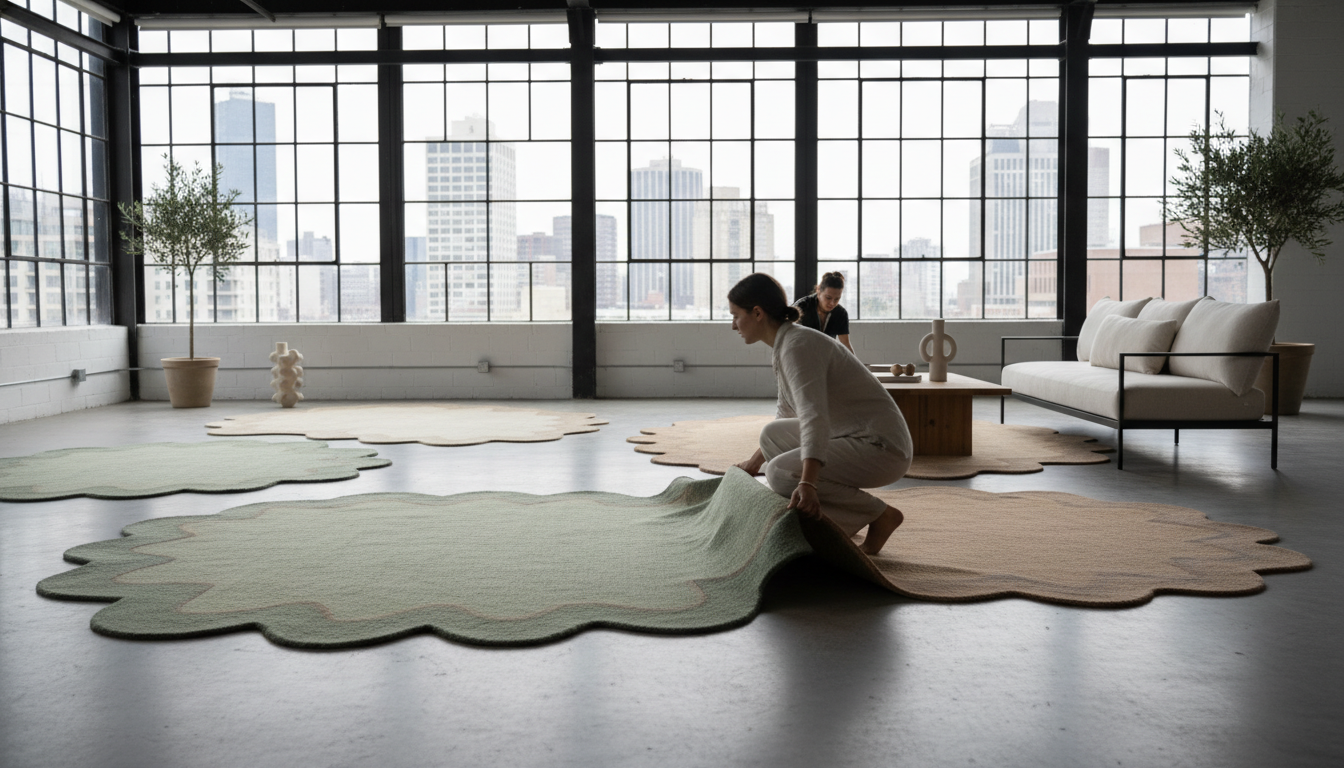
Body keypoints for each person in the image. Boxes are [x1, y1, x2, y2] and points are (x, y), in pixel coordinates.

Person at [728, 273, 911, 555]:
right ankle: (855, 513)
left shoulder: (797, 346)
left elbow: (814, 419)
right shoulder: (786, 342)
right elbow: (787, 412)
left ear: (757, 313)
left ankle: (880, 514)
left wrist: (807, 482)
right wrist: (753, 464)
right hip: (852, 434)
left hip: (883, 448)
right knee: (770, 435)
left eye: (735, 316)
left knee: (780, 472)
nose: (733, 326)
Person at [793, 272, 854, 353]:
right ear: (818, 290)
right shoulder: (802, 307)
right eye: (828, 298)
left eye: (837, 299)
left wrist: (856, 365)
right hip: (801, 354)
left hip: (825, 356)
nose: (832, 303)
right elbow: (789, 337)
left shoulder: (840, 313)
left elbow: (846, 344)